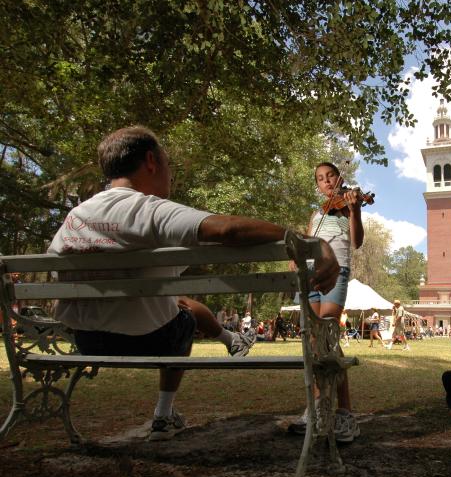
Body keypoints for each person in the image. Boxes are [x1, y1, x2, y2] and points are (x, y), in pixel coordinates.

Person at [47, 126, 340, 441]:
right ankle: (163, 413)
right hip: (148, 341)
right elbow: (226, 230)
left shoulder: (76, 216)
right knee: (184, 319)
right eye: (167, 164)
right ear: (150, 161)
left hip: (86, 342)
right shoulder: (146, 209)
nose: (169, 174)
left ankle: (220, 352)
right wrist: (311, 241)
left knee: (180, 305)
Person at [288, 161, 364, 442]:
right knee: (313, 342)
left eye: (331, 175)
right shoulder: (317, 213)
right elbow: (309, 241)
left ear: (339, 178)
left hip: (337, 270)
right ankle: (317, 409)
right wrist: (297, 257)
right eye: (321, 179)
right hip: (311, 274)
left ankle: (345, 414)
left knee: (328, 338)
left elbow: (356, 241)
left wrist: (355, 209)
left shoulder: (347, 207)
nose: (327, 181)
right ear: (318, 185)